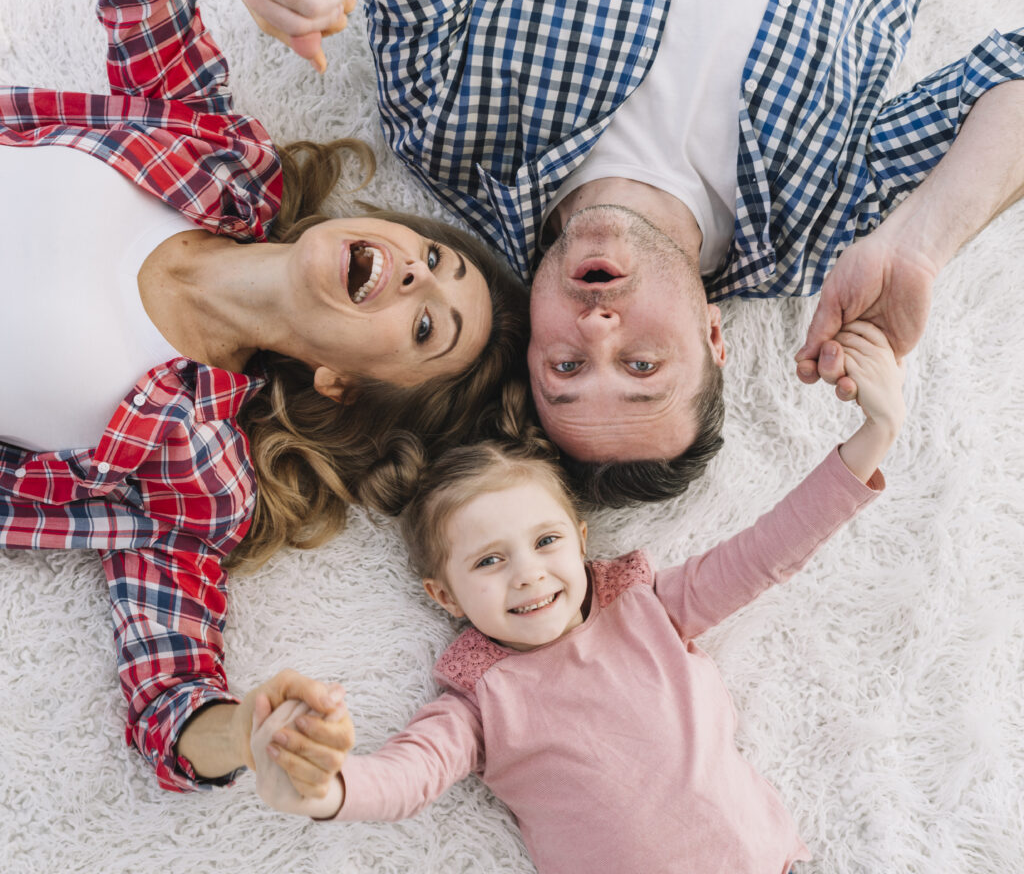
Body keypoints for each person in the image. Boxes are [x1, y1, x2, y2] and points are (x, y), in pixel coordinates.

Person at [240, 0, 1024, 504]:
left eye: (566, 367)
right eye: (643, 367)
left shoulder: (452, 130)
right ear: (715, 339)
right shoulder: (822, 229)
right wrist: (924, 244)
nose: (597, 328)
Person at [0, 0, 528, 795]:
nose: (415, 272)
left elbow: (171, 701)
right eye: (434, 260)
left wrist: (249, 733)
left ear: (342, 382)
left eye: (426, 324)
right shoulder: (223, 158)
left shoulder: (200, 465)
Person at [247, 319, 904, 874]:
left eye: (545, 541)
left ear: (581, 539)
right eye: (490, 560)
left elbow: (769, 549)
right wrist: (327, 788)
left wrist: (872, 437)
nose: (528, 575)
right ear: (444, 594)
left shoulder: (650, 606)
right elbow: (407, 775)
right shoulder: (477, 701)